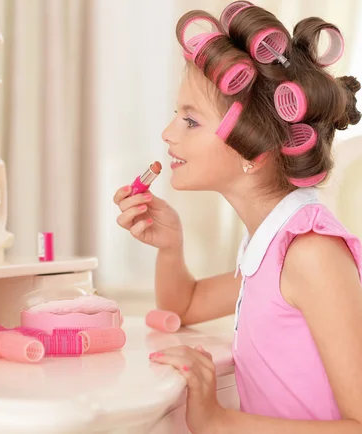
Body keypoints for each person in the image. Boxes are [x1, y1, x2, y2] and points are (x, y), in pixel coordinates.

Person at [114, 2, 362, 433]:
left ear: (255, 149)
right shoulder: (272, 247)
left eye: (190, 120)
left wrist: (219, 420)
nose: (168, 133)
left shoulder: (310, 253)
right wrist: (170, 246)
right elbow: (184, 305)